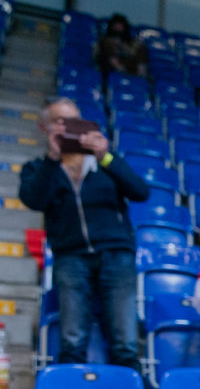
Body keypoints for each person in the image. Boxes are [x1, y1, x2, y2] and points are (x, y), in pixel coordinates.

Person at [20, 97, 149, 371]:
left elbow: (140, 191)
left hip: (116, 256)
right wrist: (53, 158)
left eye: (73, 121)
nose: (67, 127)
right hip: (70, 257)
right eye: (59, 121)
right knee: (72, 340)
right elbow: (34, 200)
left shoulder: (105, 163)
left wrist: (106, 157)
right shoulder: (39, 168)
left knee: (125, 341)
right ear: (45, 128)